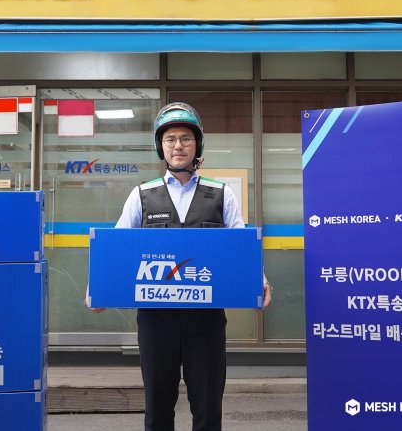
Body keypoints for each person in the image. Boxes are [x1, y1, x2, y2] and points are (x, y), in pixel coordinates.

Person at [87, 102, 272, 431]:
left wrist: (259, 280)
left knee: (208, 409)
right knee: (158, 410)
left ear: (197, 145)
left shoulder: (221, 194)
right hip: (156, 321)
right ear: (161, 146)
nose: (178, 146)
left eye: (186, 138)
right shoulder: (142, 195)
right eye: (170, 139)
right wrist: (99, 287)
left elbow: (240, 244)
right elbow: (117, 247)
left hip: (206, 321)